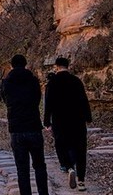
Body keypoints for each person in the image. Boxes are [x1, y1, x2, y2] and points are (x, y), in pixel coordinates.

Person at [2, 54, 49, 195]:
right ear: (25, 64)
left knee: (22, 169)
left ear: (12, 65)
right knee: (40, 165)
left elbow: (6, 100)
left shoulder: (6, 83)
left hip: (16, 129)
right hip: (33, 126)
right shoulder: (33, 81)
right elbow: (37, 99)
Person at [44, 57, 92, 191]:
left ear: (56, 66)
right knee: (81, 149)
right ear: (68, 66)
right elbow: (84, 100)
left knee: (61, 145)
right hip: (78, 120)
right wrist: (88, 117)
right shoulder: (76, 81)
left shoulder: (52, 83)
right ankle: (81, 181)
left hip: (60, 121)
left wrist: (47, 121)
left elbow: (48, 104)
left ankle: (70, 167)